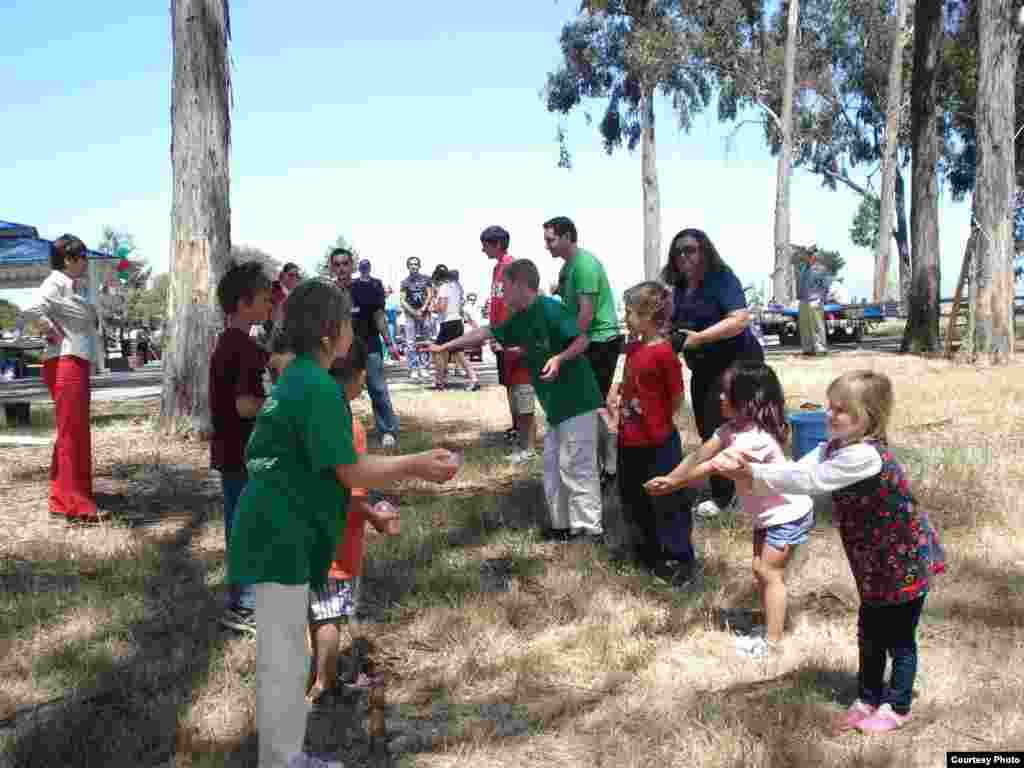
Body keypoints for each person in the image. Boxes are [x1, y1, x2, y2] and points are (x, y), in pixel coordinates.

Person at [226, 278, 458, 768]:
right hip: (279, 531)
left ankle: (282, 753)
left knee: (285, 649)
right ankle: (283, 757)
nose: (354, 331)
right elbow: (350, 471)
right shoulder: (317, 388)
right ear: (332, 334)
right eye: (349, 323)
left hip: (275, 526)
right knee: (286, 654)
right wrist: (415, 464)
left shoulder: (300, 379)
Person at [713, 371, 945, 732]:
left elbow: (811, 481)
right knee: (869, 631)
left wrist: (752, 472)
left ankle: (898, 705)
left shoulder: (865, 456)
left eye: (841, 410)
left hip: (903, 559)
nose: (829, 414)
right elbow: (795, 469)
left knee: (899, 638)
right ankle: (867, 697)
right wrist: (752, 472)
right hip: (873, 560)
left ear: (867, 416)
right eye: (830, 405)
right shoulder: (833, 446)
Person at [428, 259, 603, 540]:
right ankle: (561, 526)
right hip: (556, 407)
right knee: (553, 469)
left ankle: (588, 529)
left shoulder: (549, 308)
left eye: (504, 287)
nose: (501, 293)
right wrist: (444, 346)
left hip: (578, 401)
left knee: (577, 466)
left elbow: (582, 340)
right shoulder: (521, 317)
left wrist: (558, 359)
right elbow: (485, 332)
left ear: (521, 285)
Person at [647, 361, 814, 654]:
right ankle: (771, 624)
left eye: (727, 393)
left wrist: (674, 486)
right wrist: (672, 477)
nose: (720, 397)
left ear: (747, 398)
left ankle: (772, 644)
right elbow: (700, 454)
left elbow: (712, 465)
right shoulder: (732, 429)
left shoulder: (755, 439)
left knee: (768, 572)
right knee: (760, 570)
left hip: (788, 514)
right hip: (769, 515)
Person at [306, 338, 401, 704]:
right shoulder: (349, 427)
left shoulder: (305, 416)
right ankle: (324, 683)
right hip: (336, 541)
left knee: (312, 611)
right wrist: (376, 518)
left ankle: (311, 673)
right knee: (329, 616)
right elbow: (352, 494)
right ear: (356, 377)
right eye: (363, 378)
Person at [661, 228, 764, 520]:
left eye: (690, 249)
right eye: (678, 250)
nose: (684, 256)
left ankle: (732, 495)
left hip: (737, 365)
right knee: (709, 430)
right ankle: (726, 492)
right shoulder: (680, 287)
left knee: (735, 431)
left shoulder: (722, 278)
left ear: (705, 251)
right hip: (704, 369)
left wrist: (699, 338)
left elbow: (739, 319)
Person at [605, 282, 695, 584]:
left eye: (629, 312)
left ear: (648, 315)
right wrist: (616, 396)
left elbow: (676, 398)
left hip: (657, 443)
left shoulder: (664, 354)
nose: (625, 317)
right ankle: (648, 552)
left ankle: (678, 557)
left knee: (667, 501)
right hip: (629, 440)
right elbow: (625, 380)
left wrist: (659, 422)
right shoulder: (632, 348)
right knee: (633, 498)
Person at [209, 261, 273, 634]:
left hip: (236, 453)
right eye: (265, 299)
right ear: (244, 303)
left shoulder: (235, 344)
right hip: (242, 454)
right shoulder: (240, 349)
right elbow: (244, 405)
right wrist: (283, 406)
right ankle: (245, 605)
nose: (270, 305)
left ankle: (249, 597)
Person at [20, 234, 101, 523]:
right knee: (73, 435)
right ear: (68, 259)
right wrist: (50, 331)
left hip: (72, 361)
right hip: (65, 362)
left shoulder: (77, 286)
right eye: (82, 257)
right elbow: (31, 309)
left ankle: (61, 498)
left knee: (72, 433)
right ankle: (76, 505)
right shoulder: (55, 282)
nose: (85, 263)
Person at [544, 216, 623, 487]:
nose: (547, 245)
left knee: (591, 408)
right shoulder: (568, 268)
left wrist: (565, 349)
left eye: (551, 239)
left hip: (599, 342)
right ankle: (601, 465)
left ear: (567, 237)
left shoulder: (585, 266)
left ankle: (609, 467)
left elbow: (586, 317)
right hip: (584, 343)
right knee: (588, 408)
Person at [338, 250, 401, 448]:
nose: (341, 268)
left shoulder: (368, 288)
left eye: (345, 263)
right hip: (341, 351)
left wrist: (389, 344)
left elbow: (379, 317)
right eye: (337, 264)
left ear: (352, 266)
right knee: (338, 392)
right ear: (332, 267)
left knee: (378, 388)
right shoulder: (328, 293)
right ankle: (342, 432)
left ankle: (387, 430)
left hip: (369, 345)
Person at [481, 225, 531, 446]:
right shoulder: (496, 269)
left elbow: (518, 305)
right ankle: (516, 429)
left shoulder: (513, 267)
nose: (482, 250)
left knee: (520, 387)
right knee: (509, 385)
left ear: (497, 244)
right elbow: (497, 304)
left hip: (513, 339)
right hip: (500, 337)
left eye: (485, 245)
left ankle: (524, 436)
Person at [428, 264, 480, 391]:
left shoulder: (444, 287)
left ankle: (439, 382)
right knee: (458, 353)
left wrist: (432, 307)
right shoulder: (456, 286)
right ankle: (473, 378)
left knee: (438, 351)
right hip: (457, 322)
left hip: (448, 323)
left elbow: (442, 307)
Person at [399, 256, 434, 381]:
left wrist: (423, 308)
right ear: (408, 266)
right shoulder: (405, 282)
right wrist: (413, 312)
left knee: (426, 340)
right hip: (410, 314)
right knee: (410, 342)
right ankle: (413, 368)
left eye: (416, 264)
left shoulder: (426, 279)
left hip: (425, 313)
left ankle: (424, 367)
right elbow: (402, 300)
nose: (414, 266)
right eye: (411, 264)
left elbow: (430, 294)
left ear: (419, 265)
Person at [797, 250, 832, 356]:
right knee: (805, 325)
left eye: (808, 255)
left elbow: (826, 286)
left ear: (813, 257)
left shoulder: (821, 269)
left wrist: (820, 299)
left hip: (815, 299)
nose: (806, 257)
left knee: (816, 325)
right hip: (803, 300)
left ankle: (820, 347)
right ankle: (808, 348)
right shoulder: (803, 268)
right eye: (806, 255)